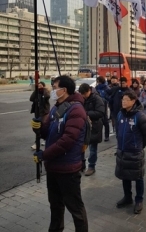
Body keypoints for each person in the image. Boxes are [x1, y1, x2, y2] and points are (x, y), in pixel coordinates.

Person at [31, 75, 88, 231]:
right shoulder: (57, 107)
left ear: (64, 90)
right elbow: (48, 132)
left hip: (68, 169)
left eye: (55, 87)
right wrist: (38, 127)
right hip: (54, 167)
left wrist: (44, 155)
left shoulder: (76, 110)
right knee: (55, 206)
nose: (53, 90)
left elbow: (67, 141)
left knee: (75, 208)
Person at [115, 90, 146, 214]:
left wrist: (139, 146)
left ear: (133, 101)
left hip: (135, 152)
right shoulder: (120, 114)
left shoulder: (140, 116)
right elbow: (118, 131)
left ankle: (139, 200)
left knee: (138, 177)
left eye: (126, 100)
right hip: (122, 151)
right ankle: (127, 197)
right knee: (125, 176)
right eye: (122, 99)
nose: (123, 102)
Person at [79, 83, 105, 176]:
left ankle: (91, 166)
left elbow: (100, 112)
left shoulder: (97, 98)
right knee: (81, 147)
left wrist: (85, 113)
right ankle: (81, 165)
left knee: (92, 148)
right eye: (81, 94)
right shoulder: (81, 98)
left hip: (94, 126)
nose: (83, 96)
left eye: (84, 94)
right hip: (83, 126)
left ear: (89, 91)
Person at [30, 81, 50, 149]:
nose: (39, 87)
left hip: (44, 113)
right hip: (37, 113)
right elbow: (31, 99)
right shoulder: (37, 93)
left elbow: (47, 96)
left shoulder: (45, 92)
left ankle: (42, 141)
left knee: (43, 127)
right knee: (36, 128)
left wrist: (43, 89)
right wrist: (36, 90)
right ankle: (38, 142)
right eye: (38, 85)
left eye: (41, 85)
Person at [95, 76, 110, 141]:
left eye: (99, 81)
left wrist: (104, 98)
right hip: (98, 104)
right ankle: (100, 135)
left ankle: (107, 135)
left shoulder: (106, 88)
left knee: (105, 120)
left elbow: (108, 96)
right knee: (99, 120)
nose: (98, 82)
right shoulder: (96, 88)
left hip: (104, 103)